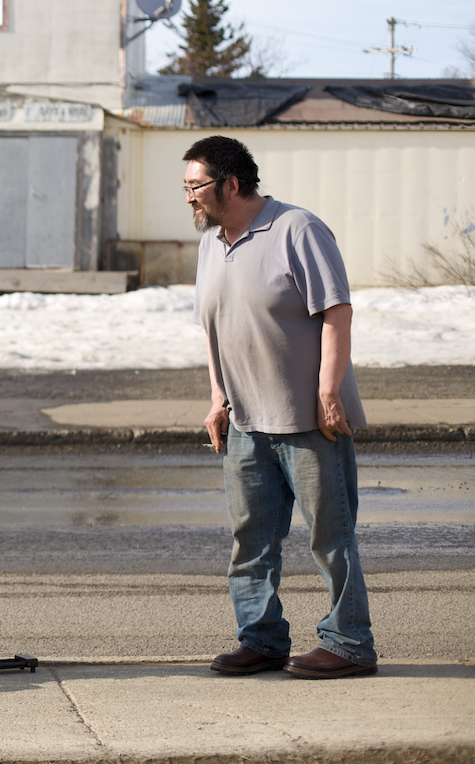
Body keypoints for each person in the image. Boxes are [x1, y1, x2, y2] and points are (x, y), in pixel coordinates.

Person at [186, 136, 377, 680]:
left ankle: (349, 644)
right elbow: (213, 327)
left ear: (231, 184)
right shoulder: (211, 245)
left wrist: (328, 392)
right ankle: (262, 638)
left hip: (308, 420)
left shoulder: (298, 229)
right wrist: (218, 396)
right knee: (251, 540)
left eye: (196, 187)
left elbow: (336, 311)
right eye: (186, 188)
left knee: (330, 536)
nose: (190, 199)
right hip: (245, 420)